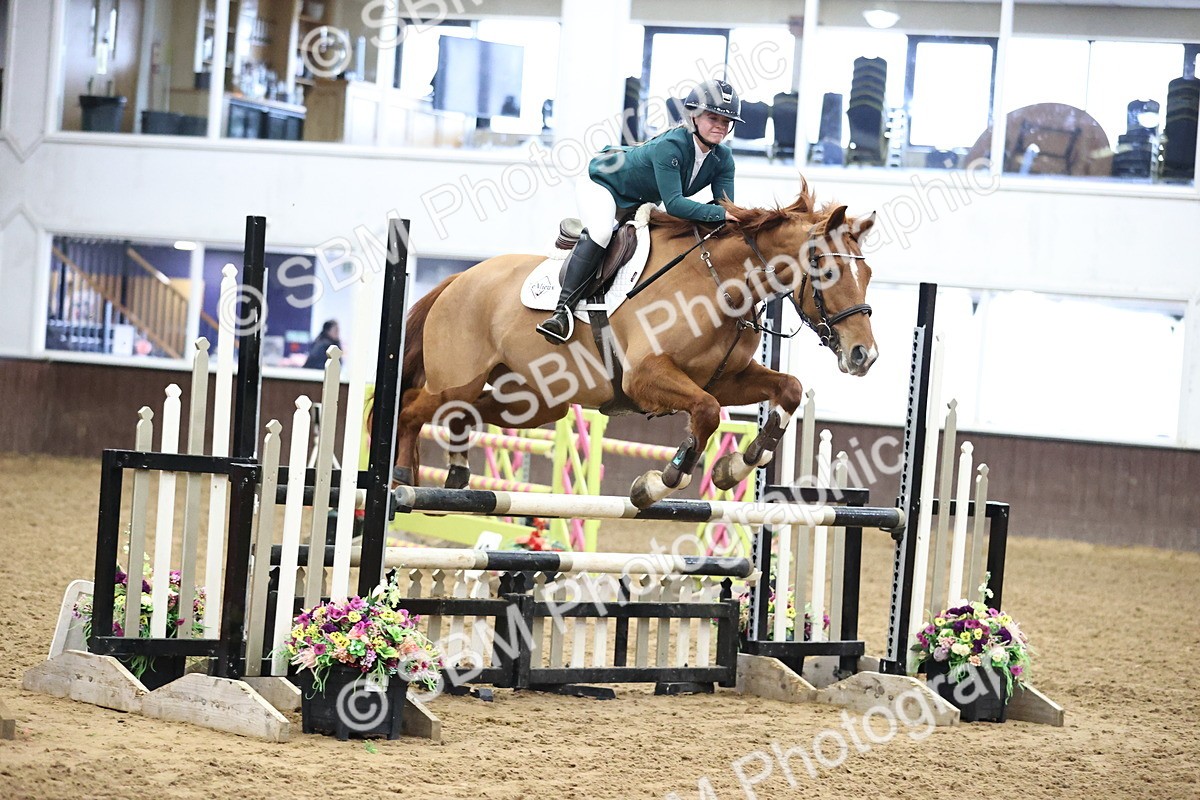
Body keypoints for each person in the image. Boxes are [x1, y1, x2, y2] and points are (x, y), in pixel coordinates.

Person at [535, 79, 744, 345]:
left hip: (640, 200)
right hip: (604, 184)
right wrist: (721, 214)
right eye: (713, 117)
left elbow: (725, 207)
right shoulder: (672, 146)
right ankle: (561, 311)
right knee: (601, 232)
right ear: (693, 116)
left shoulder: (723, 158)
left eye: (726, 121)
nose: (720, 126)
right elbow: (675, 205)